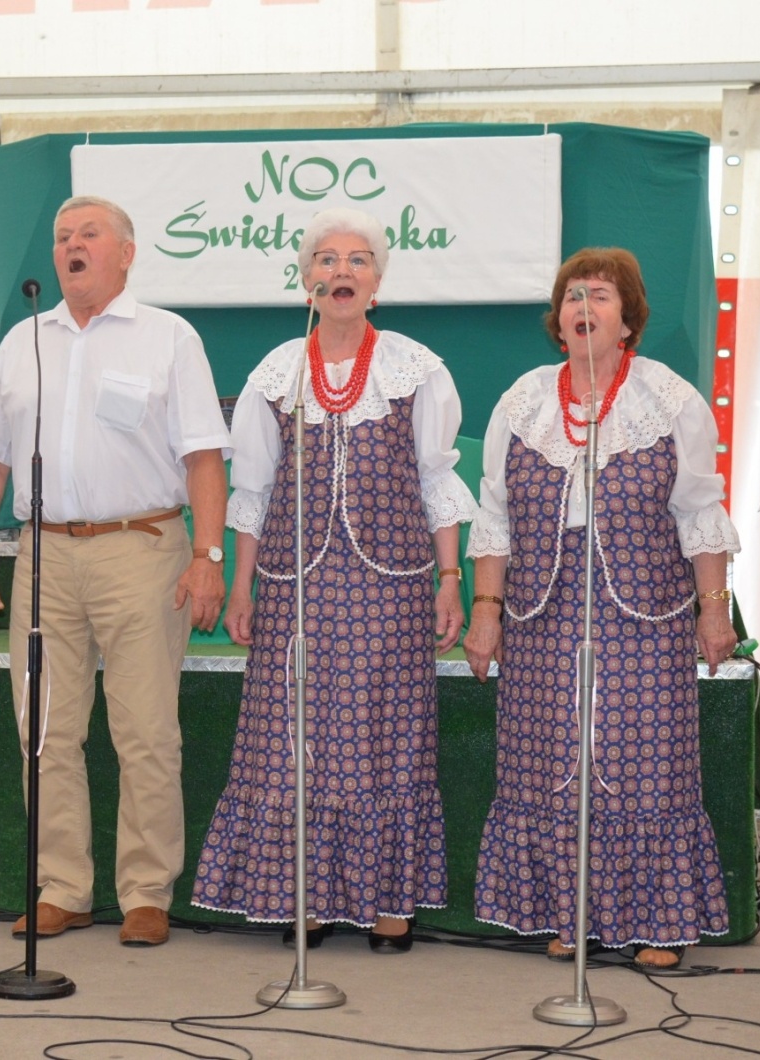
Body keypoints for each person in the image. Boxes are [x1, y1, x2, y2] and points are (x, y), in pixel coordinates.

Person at [190, 208, 475, 953]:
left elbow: (437, 482)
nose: (340, 271)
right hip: (294, 587)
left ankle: (390, 902)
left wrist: (451, 579)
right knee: (295, 738)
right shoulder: (276, 372)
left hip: (394, 586)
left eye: (357, 261)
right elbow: (250, 491)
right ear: (305, 279)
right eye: (325, 259)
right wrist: (243, 584)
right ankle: (303, 894)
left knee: (391, 734)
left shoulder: (416, 369)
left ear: (378, 284)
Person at [0, 195, 228, 948]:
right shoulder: (23, 342)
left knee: (143, 729)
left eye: (89, 235)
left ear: (126, 252)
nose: (72, 247)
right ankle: (62, 888)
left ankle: (145, 891)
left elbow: (204, 456)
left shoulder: (168, 337)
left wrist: (209, 556)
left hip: (140, 547)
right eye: (62, 237)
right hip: (41, 552)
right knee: (44, 729)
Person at [463, 247, 738, 970]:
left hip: (645, 614)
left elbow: (701, 514)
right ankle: (569, 913)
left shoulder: (670, 400)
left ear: (628, 319)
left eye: (602, 296)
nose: (584, 306)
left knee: (643, 763)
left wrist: (714, 612)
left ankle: (656, 922)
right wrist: (485, 612)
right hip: (542, 616)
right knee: (552, 761)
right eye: (572, 296)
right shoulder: (522, 401)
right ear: (557, 321)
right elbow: (494, 518)